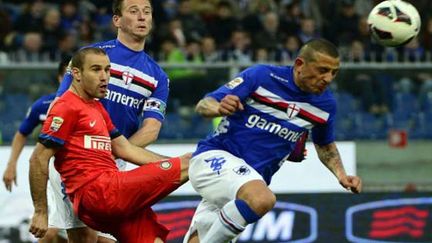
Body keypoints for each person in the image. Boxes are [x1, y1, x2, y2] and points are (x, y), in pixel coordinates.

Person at [184, 38, 363, 243]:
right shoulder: (261, 76)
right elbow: (204, 104)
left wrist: (341, 174)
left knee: (202, 237)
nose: (328, 78)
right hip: (214, 158)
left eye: (334, 72)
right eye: (322, 70)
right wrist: (217, 108)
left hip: (245, 184)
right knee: (262, 199)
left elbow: (324, 145)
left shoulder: (325, 105)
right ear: (299, 65)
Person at [29, 47, 189, 242]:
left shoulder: (96, 107)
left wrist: (169, 165)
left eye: (108, 70)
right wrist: (40, 211)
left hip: (103, 202)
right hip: (99, 191)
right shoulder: (66, 106)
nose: (105, 77)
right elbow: (38, 158)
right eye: (96, 70)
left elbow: (125, 149)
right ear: (77, 74)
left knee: (153, 239)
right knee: (195, 161)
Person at [54, 0, 172, 241]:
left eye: (147, 12)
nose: (142, 17)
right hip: (75, 161)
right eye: (134, 11)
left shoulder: (158, 76)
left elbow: (151, 130)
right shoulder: (89, 57)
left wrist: (115, 151)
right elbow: (62, 105)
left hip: (114, 163)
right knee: (80, 238)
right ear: (117, 20)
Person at [2, 60, 69, 243]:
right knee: (50, 232)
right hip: (54, 174)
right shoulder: (44, 105)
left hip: (82, 174)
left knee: (83, 235)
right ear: (59, 78)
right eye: (66, 77)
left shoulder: (96, 106)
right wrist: (11, 164)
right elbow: (21, 133)